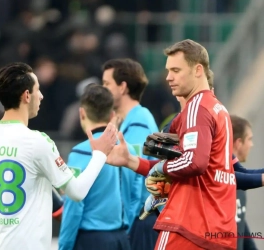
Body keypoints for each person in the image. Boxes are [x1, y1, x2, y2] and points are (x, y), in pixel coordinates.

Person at [0, 62, 118, 250]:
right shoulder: (37, 142)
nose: (42, 96)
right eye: (38, 90)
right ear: (27, 95)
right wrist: (100, 154)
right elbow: (76, 192)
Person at [107, 39, 237, 250]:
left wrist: (159, 167)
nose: (168, 77)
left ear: (198, 70)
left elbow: (194, 163)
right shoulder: (217, 109)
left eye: (176, 70)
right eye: (168, 70)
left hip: (189, 226)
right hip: (218, 231)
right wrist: (131, 161)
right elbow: (183, 164)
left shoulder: (198, 108)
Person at [58, 83, 136, 250]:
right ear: (112, 115)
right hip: (123, 238)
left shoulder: (81, 152)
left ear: (82, 113)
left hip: (92, 240)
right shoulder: (127, 151)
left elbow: (74, 205)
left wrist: (64, 245)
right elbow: (134, 195)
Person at [102, 58, 159, 250]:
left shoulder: (139, 121)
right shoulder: (129, 121)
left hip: (139, 220)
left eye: (106, 84)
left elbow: (132, 177)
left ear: (123, 87)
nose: (103, 90)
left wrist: (128, 223)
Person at [231, 115, 258, 250]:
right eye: (249, 139)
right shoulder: (222, 181)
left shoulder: (240, 184)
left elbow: (241, 227)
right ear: (238, 143)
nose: (251, 145)